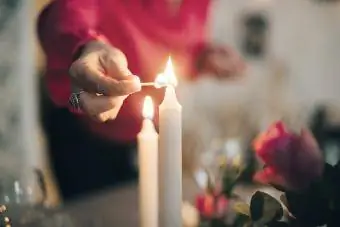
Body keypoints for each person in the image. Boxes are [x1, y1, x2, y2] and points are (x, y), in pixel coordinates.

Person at [37, 0, 246, 201]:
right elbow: (64, 15)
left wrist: (202, 58)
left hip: (146, 138)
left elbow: (180, 52)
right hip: (84, 137)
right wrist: (86, 45)